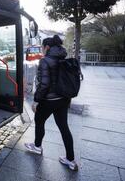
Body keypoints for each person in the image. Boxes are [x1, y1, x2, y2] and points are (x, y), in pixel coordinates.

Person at [25, 35, 78, 171]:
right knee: (64, 127)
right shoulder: (63, 58)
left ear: (47, 47)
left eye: (42, 47)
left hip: (49, 100)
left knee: (39, 120)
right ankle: (71, 160)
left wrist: (36, 100)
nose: (42, 50)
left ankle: (37, 147)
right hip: (63, 99)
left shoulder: (45, 61)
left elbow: (44, 84)